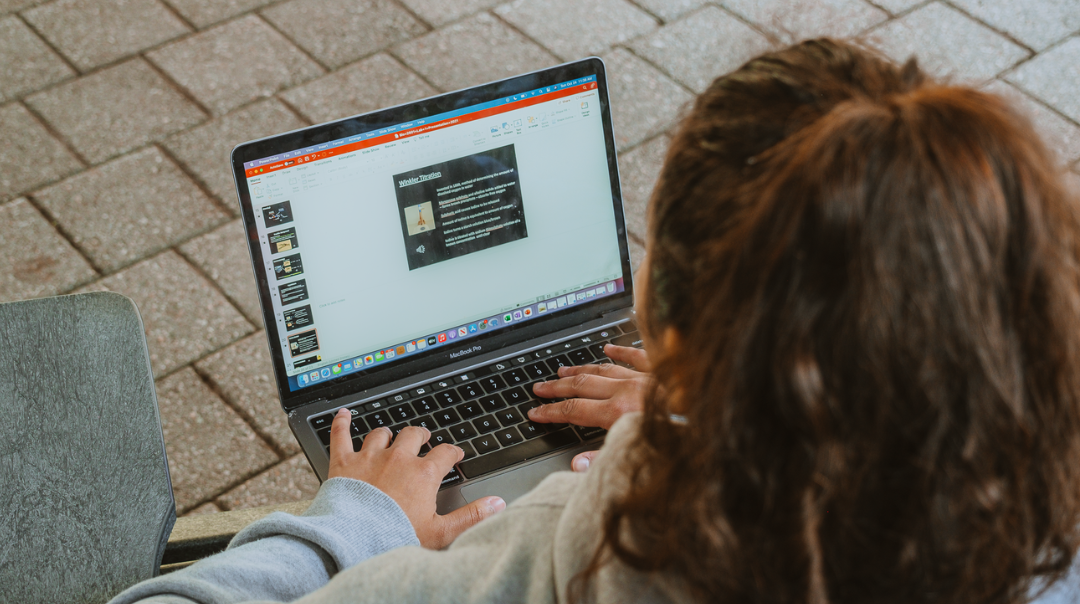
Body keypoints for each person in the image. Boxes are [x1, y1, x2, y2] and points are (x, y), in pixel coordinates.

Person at [110, 39, 1080, 604]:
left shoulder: (604, 549)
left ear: (690, 328)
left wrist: (356, 523)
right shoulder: (1044, 524)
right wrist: (727, 417)